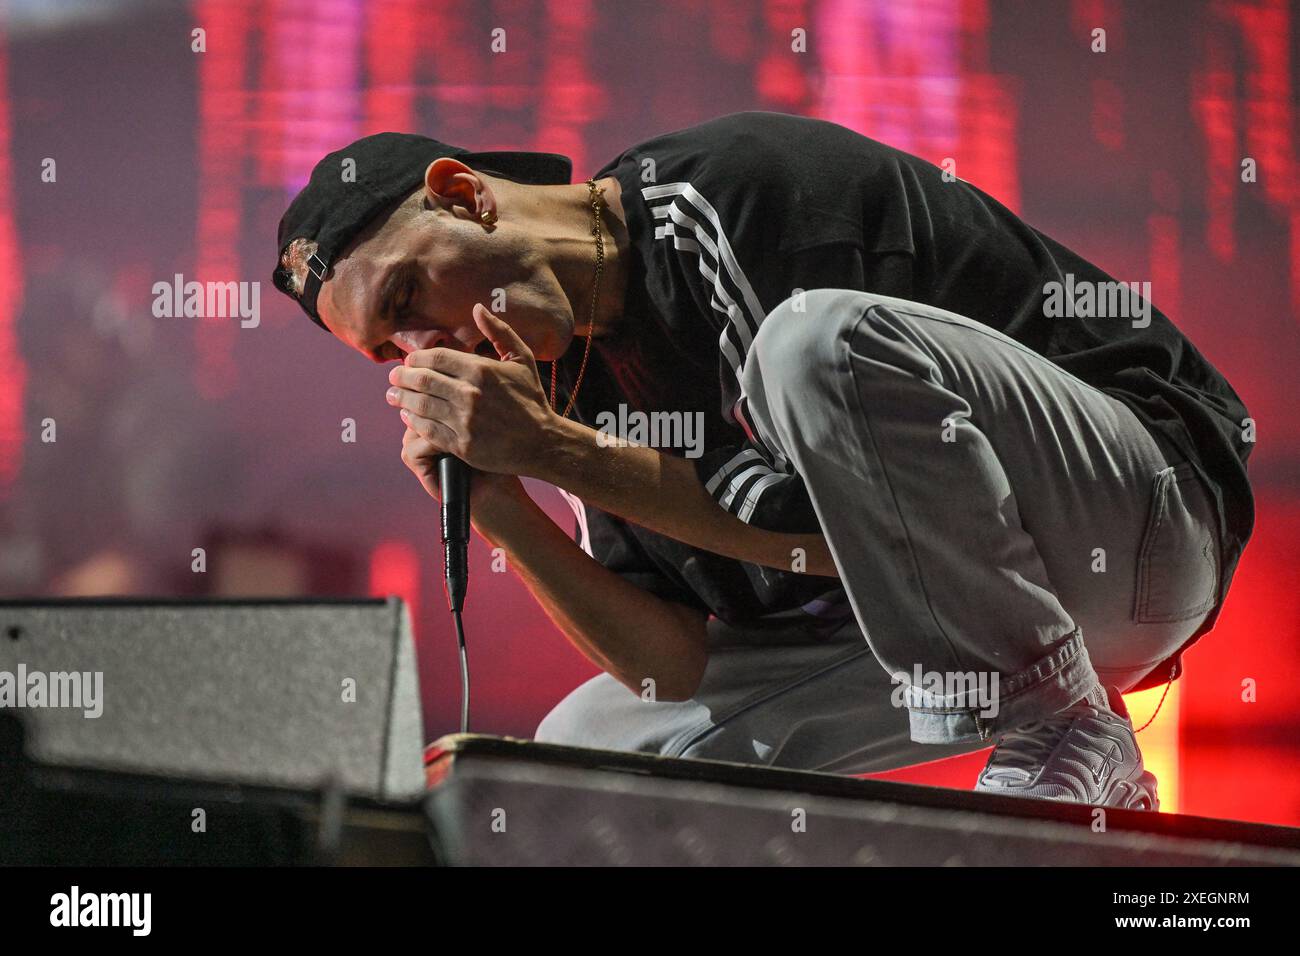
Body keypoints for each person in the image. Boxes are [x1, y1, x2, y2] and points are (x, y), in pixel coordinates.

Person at [272, 112, 1253, 808]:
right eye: (388, 351)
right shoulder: (563, 376)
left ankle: (1065, 726)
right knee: (588, 746)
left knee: (809, 343)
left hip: (1140, 530)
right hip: (951, 614)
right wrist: (504, 505)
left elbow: (821, 527)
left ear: (463, 195)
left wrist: (556, 449)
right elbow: (669, 664)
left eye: (405, 300)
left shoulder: (728, 192)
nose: (423, 350)